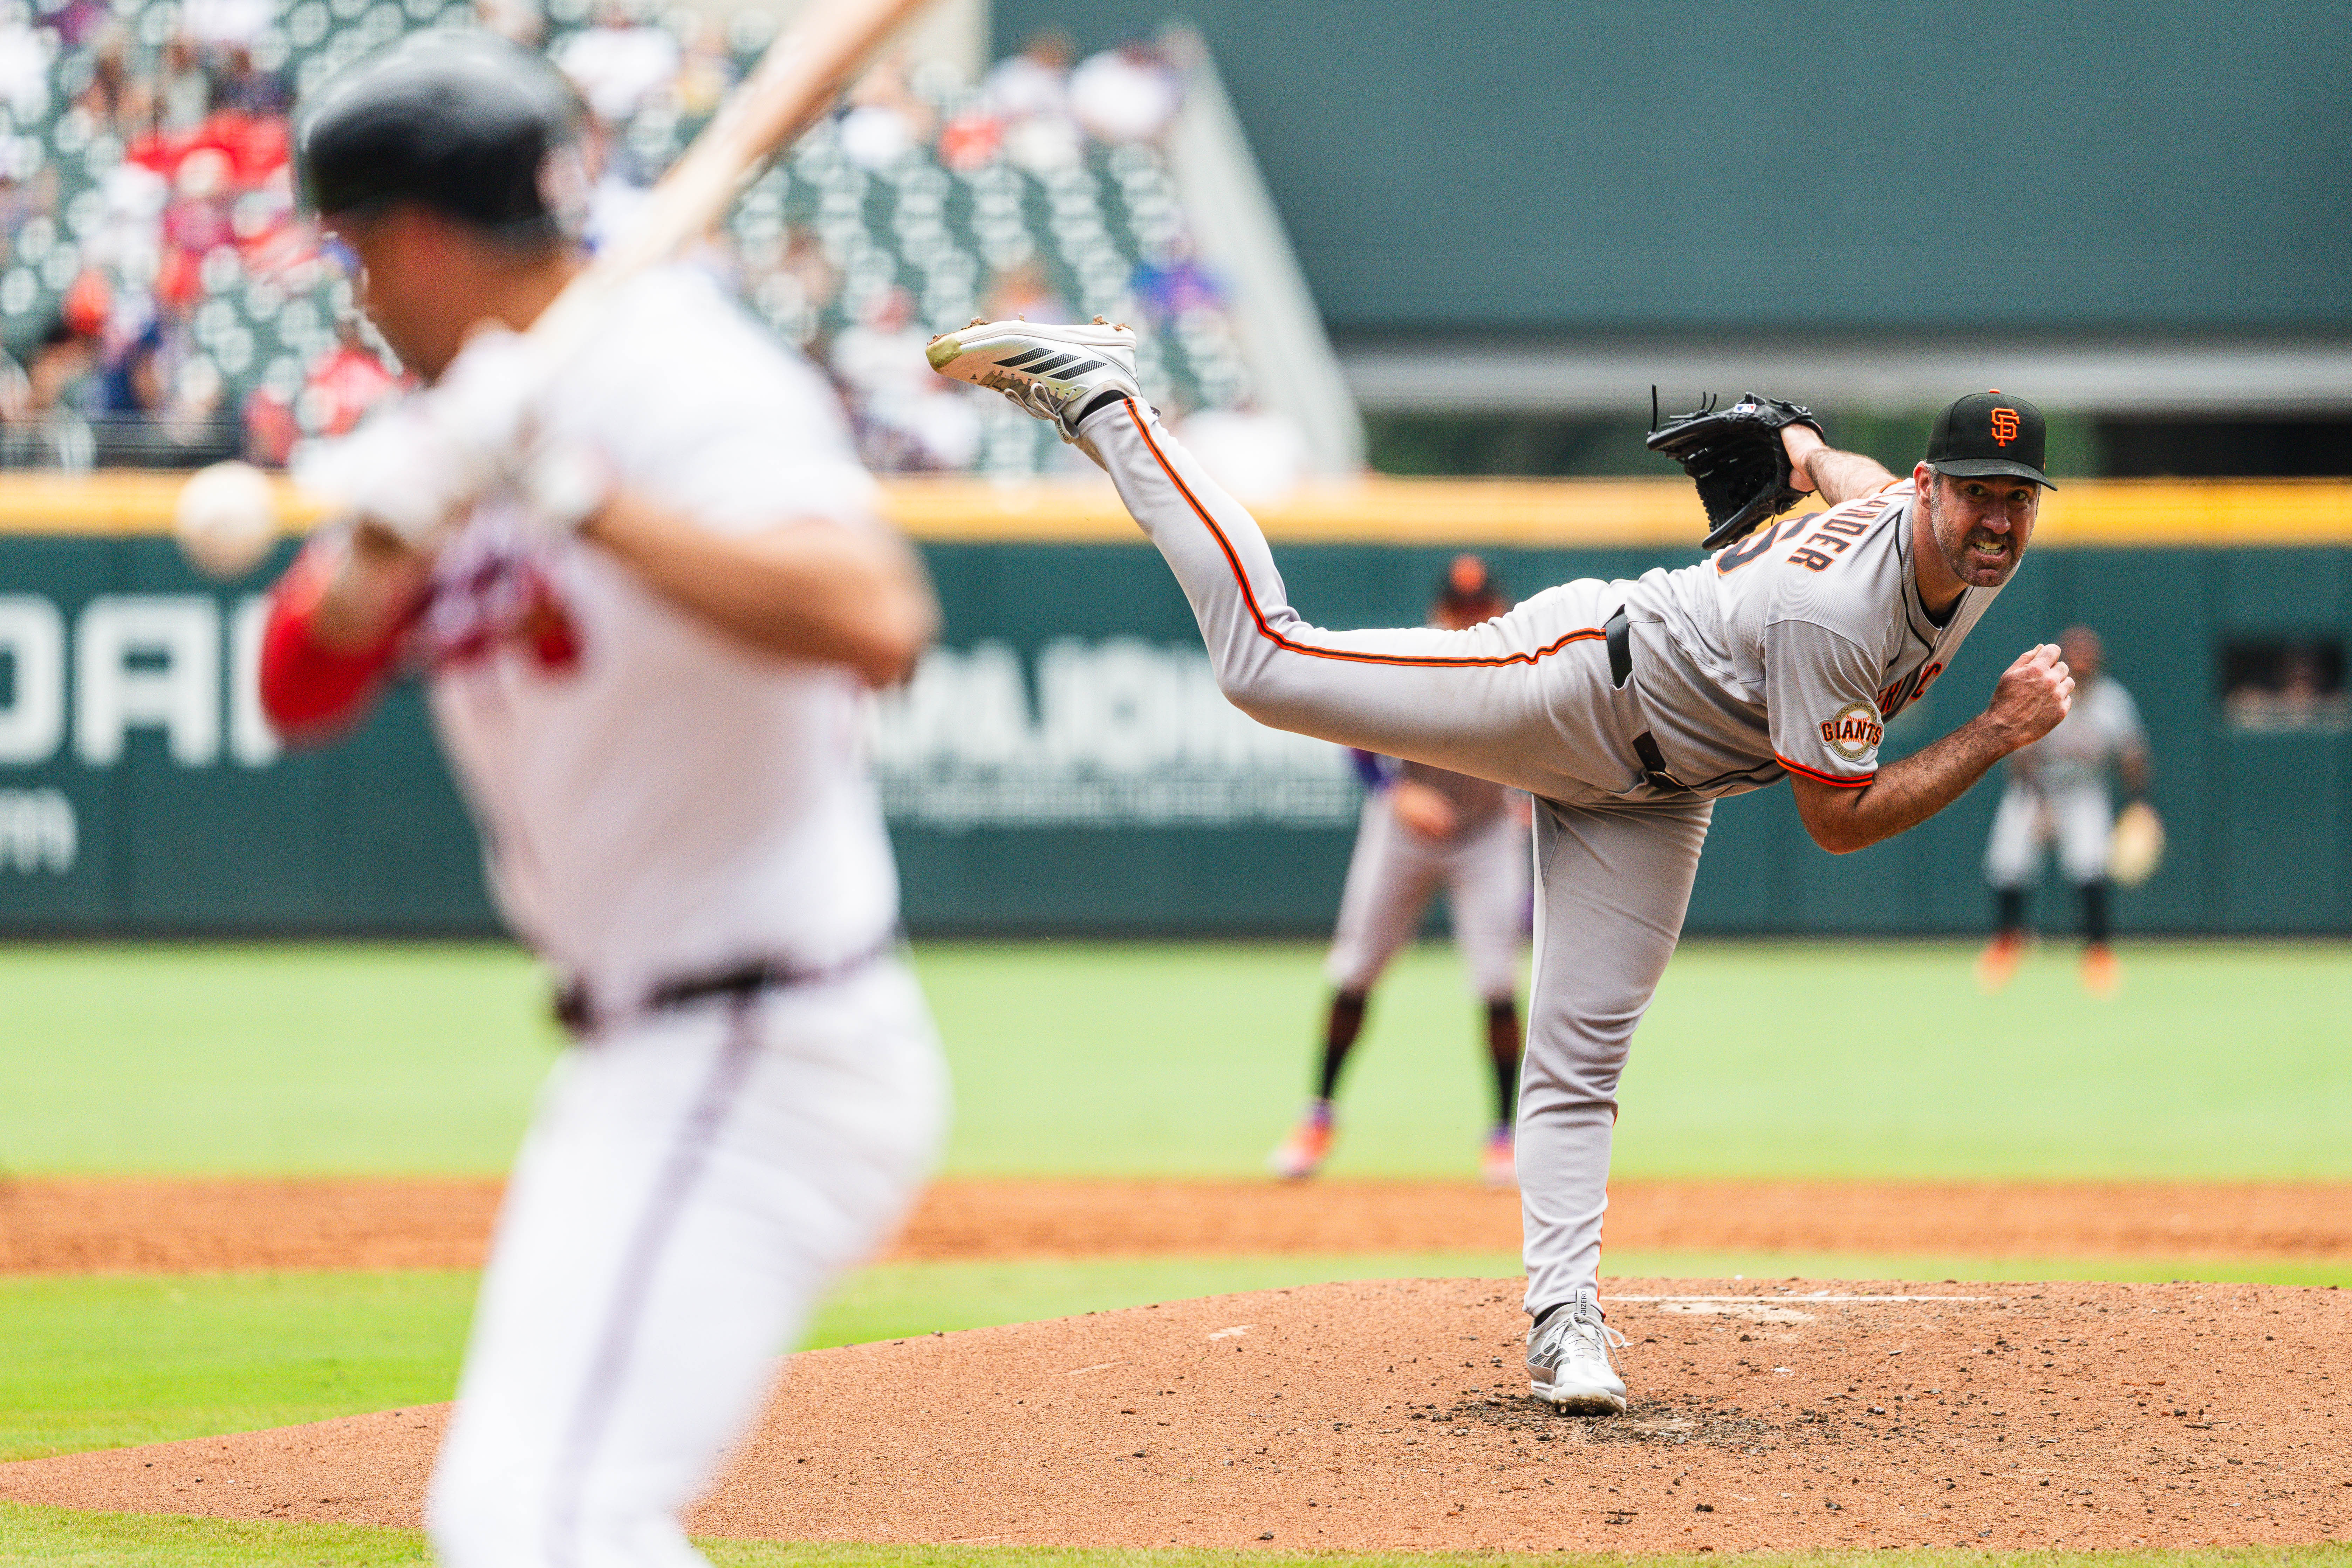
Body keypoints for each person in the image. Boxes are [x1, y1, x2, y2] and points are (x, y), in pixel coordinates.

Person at [930, 320, 2073, 1415]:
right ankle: (1104, 399)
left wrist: (1804, 449)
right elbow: (1839, 820)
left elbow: (1857, 481)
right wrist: (1994, 731)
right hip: (1579, 682)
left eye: (2018, 499)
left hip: (1660, 796)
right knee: (1263, 662)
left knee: (1580, 1055)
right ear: (1933, 488)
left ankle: (1563, 1319)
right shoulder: (1842, 607)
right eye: (1978, 489)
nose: (1999, 519)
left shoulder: (1935, 531)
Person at [258, 34, 944, 1568]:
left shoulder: (680, 380)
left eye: (361, 247)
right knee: (516, 1518)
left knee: (541, 1519)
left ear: (422, 239)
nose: (355, 288)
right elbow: (295, 692)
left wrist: (578, 493)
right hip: (632, 1062)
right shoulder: (461, 412)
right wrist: (384, 552)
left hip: (768, 1037)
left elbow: (874, 616)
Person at [1270, 553, 1530, 1189]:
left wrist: (1534, 796)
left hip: (1486, 833)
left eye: (1480, 608)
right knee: (1356, 969)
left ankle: (1504, 1135)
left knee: (1497, 980)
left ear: (1497, 609)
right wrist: (1395, 791)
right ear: (1440, 613)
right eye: (1460, 610)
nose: (1472, 619)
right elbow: (1354, 732)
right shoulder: (1417, 656)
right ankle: (1318, 1117)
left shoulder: (1525, 663)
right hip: (1403, 831)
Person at [1977, 625, 2148, 997]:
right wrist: (2041, 808)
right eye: (2078, 657)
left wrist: (2138, 806)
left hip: (2084, 789)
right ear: (2065, 662)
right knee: (2008, 860)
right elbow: (2019, 755)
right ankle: (2006, 944)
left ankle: (2098, 954)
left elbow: (2134, 755)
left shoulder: (2112, 701)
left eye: (2090, 658)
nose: (2084, 664)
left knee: (2090, 865)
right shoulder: (2046, 695)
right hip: (2036, 785)